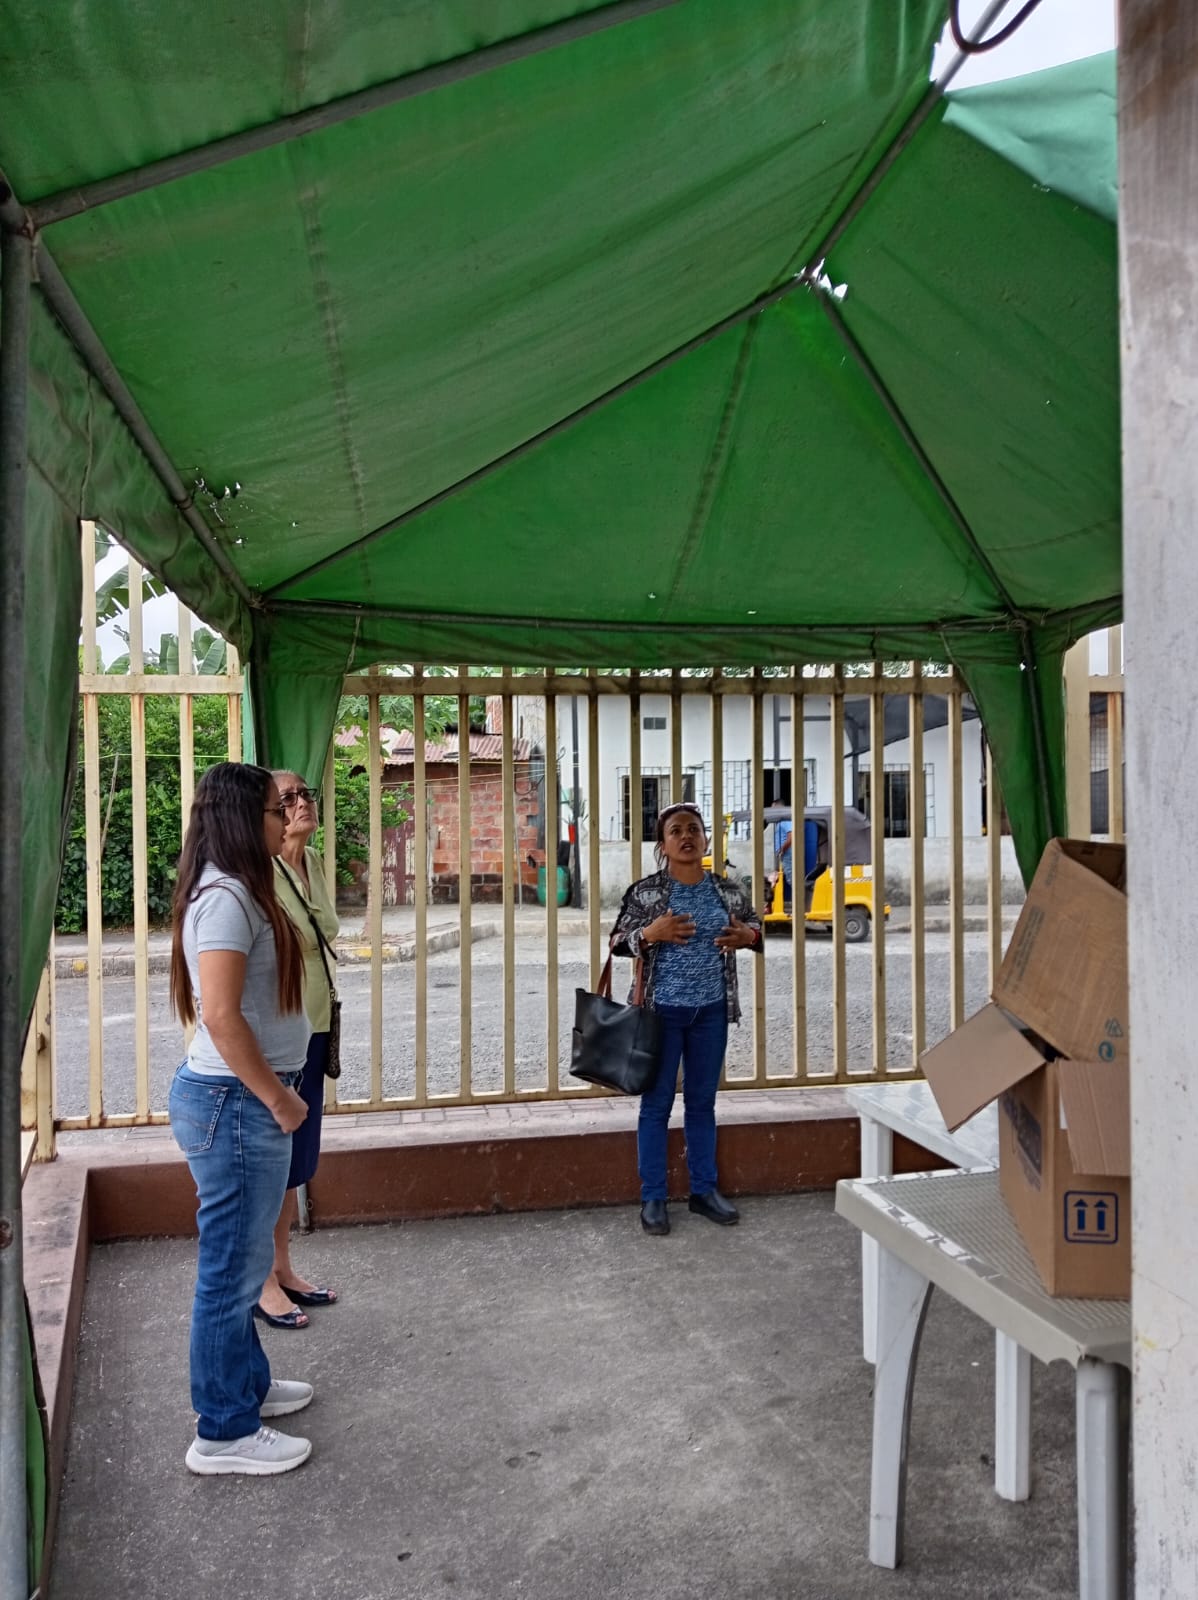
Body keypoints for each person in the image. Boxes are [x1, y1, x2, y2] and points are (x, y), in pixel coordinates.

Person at [167, 762, 314, 1475]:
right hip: (237, 1103)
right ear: (240, 818)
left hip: (239, 1101)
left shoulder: (237, 887)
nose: (285, 820)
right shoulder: (226, 897)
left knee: (246, 1259)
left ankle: (245, 1387)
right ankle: (223, 1430)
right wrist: (278, 1098)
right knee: (230, 1271)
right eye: (274, 810)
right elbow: (222, 1016)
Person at [610, 801, 764, 1237]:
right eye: (675, 831)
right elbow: (617, 942)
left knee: (701, 1103)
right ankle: (653, 1198)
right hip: (660, 1015)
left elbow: (757, 929)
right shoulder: (646, 893)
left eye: (693, 829)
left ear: (706, 839)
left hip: (711, 1013)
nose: (686, 837)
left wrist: (748, 936)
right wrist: (650, 934)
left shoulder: (726, 890)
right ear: (663, 845)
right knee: (656, 1105)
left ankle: (704, 1191)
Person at [255, 771, 341, 1329]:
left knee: (296, 1159)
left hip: (314, 1024)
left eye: (306, 793)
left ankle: (282, 1266)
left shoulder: (310, 861)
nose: (302, 803)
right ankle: (261, 1280)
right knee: (271, 1157)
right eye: (288, 799)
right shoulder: (258, 871)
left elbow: (327, 927)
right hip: (278, 1032)